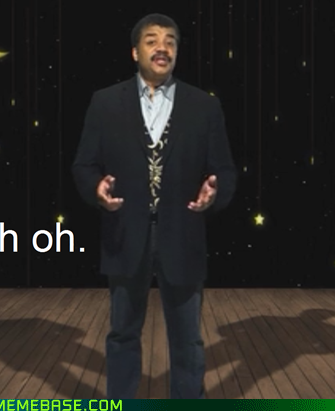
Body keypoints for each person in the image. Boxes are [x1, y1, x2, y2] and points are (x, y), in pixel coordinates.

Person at [71, 13, 237, 399]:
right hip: (124, 235)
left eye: (170, 41)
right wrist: (96, 188)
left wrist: (215, 193)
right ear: (135, 52)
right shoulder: (104, 102)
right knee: (122, 334)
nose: (162, 47)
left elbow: (225, 170)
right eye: (152, 40)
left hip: (183, 236)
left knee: (188, 340)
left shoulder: (204, 106)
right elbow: (83, 165)